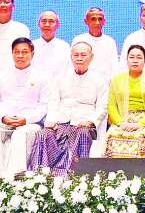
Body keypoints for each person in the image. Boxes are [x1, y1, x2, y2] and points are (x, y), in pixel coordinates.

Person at [30, 42, 108, 174]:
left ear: (91, 57)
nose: (79, 58)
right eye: (76, 55)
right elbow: (53, 102)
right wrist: (51, 121)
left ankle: (77, 175)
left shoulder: (100, 80)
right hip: (61, 123)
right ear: (71, 57)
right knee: (43, 134)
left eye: (83, 55)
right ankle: (41, 175)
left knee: (83, 133)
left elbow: (103, 107)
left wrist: (90, 121)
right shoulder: (59, 77)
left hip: (84, 124)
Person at [0, 38, 49, 175]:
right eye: (17, 52)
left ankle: (16, 175)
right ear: (12, 54)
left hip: (30, 123)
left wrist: (26, 120)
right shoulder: (1, 76)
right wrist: (3, 118)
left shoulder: (42, 77)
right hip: (6, 121)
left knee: (20, 134)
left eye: (24, 52)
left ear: (32, 54)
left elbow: (44, 106)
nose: (20, 56)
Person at [103, 44, 145, 158]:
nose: (135, 60)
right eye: (131, 57)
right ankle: (115, 170)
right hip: (122, 120)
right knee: (113, 136)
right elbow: (111, 106)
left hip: (144, 121)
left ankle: (138, 170)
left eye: (139, 57)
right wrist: (120, 123)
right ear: (127, 60)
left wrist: (140, 124)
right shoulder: (116, 80)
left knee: (140, 137)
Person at [32, 10, 71, 76]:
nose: (47, 24)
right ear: (38, 24)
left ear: (58, 25)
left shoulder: (64, 47)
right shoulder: (31, 46)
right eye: (44, 21)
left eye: (51, 21)